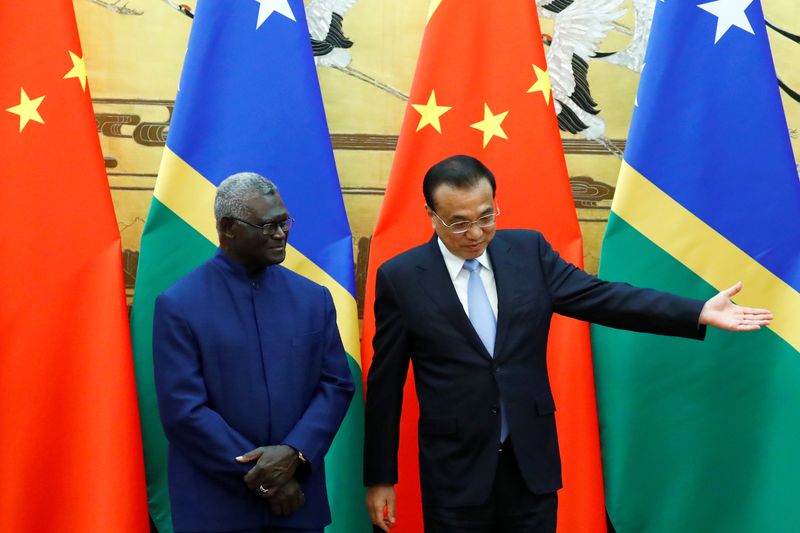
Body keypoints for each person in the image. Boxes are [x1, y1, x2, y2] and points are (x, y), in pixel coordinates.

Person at [363, 155, 772, 533]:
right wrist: (380, 477)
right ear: (431, 216)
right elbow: (385, 386)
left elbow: (605, 298)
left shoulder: (528, 252)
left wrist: (697, 310)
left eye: (486, 217)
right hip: (456, 472)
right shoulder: (402, 278)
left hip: (531, 465)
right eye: (458, 222)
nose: (475, 233)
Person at [153, 172, 355, 533]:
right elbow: (184, 411)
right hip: (217, 507)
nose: (281, 233)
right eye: (267, 225)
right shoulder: (179, 305)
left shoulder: (313, 299)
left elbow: (336, 384)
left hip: (297, 503)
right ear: (229, 227)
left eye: (284, 221)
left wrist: (295, 452)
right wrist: (266, 478)